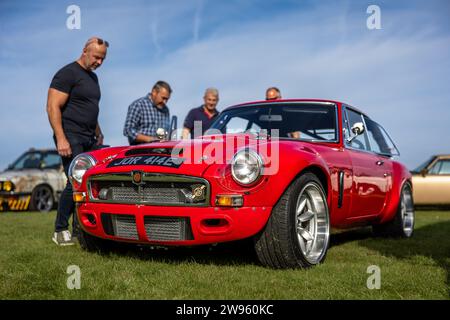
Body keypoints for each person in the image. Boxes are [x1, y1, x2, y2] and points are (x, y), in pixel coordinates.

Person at [46, 36, 108, 246]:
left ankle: (78, 231)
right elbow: (52, 106)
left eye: (103, 59)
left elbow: (91, 108)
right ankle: (60, 229)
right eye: (97, 57)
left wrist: (98, 132)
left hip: (90, 137)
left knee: (89, 183)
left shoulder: (93, 78)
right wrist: (61, 138)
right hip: (70, 134)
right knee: (75, 182)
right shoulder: (67, 73)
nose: (99, 62)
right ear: (85, 50)